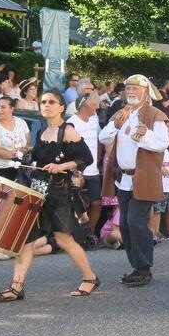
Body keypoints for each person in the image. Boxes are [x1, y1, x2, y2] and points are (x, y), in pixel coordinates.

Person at [0, 89, 97, 301]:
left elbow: (86, 158)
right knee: (25, 241)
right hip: (37, 192)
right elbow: (38, 163)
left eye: (51, 102)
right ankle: (16, 287)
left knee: (64, 240)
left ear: (61, 107)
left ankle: (90, 278)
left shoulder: (67, 131)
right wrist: (29, 153)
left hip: (59, 193)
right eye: (43, 102)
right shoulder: (41, 133)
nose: (46, 105)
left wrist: (62, 167)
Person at [99, 74, 169, 287]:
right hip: (124, 179)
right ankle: (137, 266)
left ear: (146, 92)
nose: (130, 92)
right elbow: (104, 137)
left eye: (135, 89)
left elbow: (162, 143)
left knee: (136, 222)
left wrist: (146, 135)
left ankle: (144, 267)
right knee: (126, 225)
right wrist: (116, 125)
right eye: (128, 88)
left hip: (144, 177)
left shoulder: (155, 115)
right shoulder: (122, 113)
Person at [67, 92, 104, 233]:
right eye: (93, 104)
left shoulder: (94, 119)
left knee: (96, 203)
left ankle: (89, 234)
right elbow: (68, 148)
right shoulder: (71, 122)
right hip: (78, 171)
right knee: (77, 206)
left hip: (93, 170)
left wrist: (98, 157)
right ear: (84, 106)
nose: (96, 107)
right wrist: (75, 169)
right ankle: (75, 235)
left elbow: (100, 139)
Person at [0, 96, 31, 185]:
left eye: (3, 107)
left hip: (19, 169)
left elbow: (27, 144)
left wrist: (24, 150)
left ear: (12, 108)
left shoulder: (21, 122)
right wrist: (15, 154)